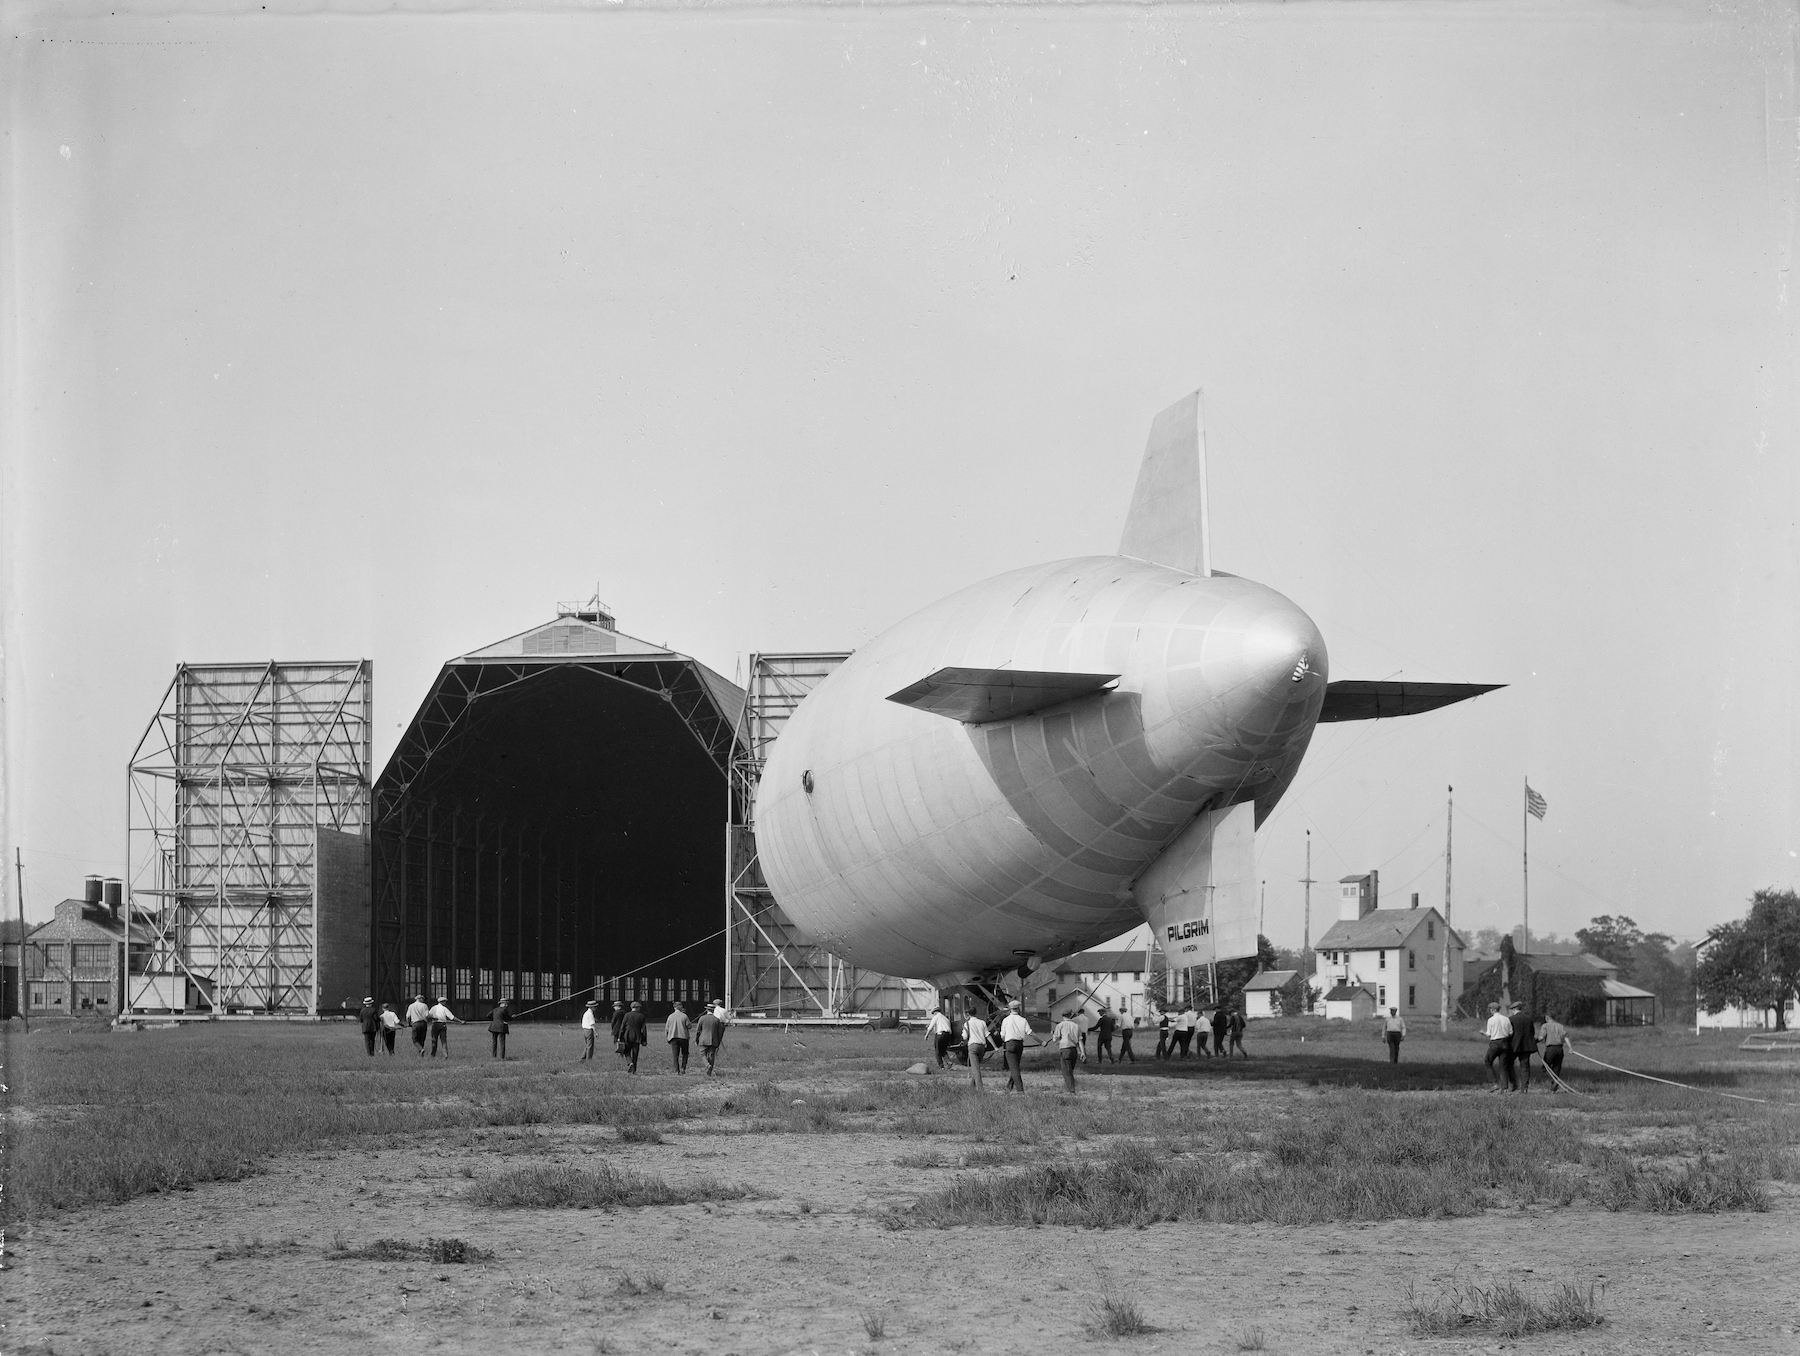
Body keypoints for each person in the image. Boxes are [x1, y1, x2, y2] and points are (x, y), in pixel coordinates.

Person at [1000, 999, 1032, 1092]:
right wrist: (1042, 1042)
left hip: (1009, 1044)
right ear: (1018, 1009)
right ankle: (1009, 1087)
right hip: (1019, 1044)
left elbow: (1002, 1035)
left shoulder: (1006, 1020)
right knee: (1015, 1066)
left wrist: (1006, 1041)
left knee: (1014, 1068)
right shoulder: (1023, 1020)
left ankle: (1020, 1090)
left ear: (1010, 1009)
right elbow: (1030, 1032)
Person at [1483, 1002, 1516, 1091]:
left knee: (1488, 1062)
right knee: (1503, 1066)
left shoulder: (1491, 1020)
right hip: (1505, 1043)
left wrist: (1483, 1033)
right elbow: (1510, 1033)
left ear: (1494, 1010)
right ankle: (1504, 1087)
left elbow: (1489, 1034)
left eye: (1490, 1009)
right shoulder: (1506, 1019)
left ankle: (1493, 1083)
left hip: (1495, 1043)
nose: (1490, 1011)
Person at [1053, 1007, 1083, 1092]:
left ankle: (1071, 1090)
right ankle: (1072, 1085)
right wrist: (1082, 1052)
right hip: (1074, 1050)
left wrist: (1057, 1039)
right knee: (1070, 1069)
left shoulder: (1060, 1025)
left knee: (1066, 1071)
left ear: (1062, 1016)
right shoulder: (1076, 1026)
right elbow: (1080, 1040)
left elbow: (1055, 1039)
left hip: (1065, 1049)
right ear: (1070, 1015)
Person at [1510, 1000, 1537, 1092]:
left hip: (1514, 1046)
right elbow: (1532, 1032)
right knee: (1525, 1067)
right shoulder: (1529, 1019)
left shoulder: (1511, 1019)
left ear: (1514, 1009)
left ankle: (1514, 1083)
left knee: (1508, 1063)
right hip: (1526, 1046)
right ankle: (1525, 1087)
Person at [696, 1001, 729, 1075]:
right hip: (713, 1040)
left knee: (702, 1054)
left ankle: (707, 1065)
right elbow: (719, 1033)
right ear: (713, 1010)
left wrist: (697, 1039)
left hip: (703, 1040)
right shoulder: (717, 1020)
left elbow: (698, 1030)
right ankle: (709, 1072)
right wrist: (718, 1041)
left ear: (707, 1010)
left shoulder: (702, 1018)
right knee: (711, 1055)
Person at [1539, 1012, 1569, 1090]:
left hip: (1550, 1049)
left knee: (1545, 1068)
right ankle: (1554, 1089)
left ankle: (1555, 1080)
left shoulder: (1545, 1026)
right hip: (1560, 1049)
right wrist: (1571, 1048)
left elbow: (1541, 1037)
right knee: (1556, 1068)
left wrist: (1534, 1041)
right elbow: (1566, 1037)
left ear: (1547, 1018)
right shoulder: (1561, 1026)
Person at [963, 1008, 991, 1090]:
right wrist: (995, 1047)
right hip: (982, 1047)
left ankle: (980, 1089)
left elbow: (965, 1037)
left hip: (973, 1047)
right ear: (976, 1013)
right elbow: (987, 1035)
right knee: (976, 1067)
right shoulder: (982, 1022)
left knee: (976, 1069)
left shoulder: (967, 1024)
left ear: (968, 1014)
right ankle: (972, 1087)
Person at [619, 1000, 648, 1074]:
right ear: (637, 1008)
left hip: (627, 1036)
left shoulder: (627, 1015)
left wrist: (620, 1037)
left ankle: (630, 1062)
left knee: (626, 1051)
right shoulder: (641, 1016)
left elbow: (622, 1026)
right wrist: (644, 1040)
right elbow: (644, 1029)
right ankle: (634, 1070)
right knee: (635, 1054)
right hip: (637, 1037)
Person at [665, 1000, 692, 1073]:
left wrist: (667, 1037)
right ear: (681, 1008)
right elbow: (689, 1026)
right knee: (685, 1053)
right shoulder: (684, 1016)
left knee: (675, 1055)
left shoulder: (670, 1017)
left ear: (674, 1008)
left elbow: (667, 1028)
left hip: (673, 1037)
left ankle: (676, 1069)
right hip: (683, 1037)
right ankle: (683, 1067)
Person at [925, 1005, 953, 1069]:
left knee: (937, 1051)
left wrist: (926, 1035)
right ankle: (948, 1062)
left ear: (935, 1012)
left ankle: (941, 1066)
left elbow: (931, 1026)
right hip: (947, 1034)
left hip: (940, 1034)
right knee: (943, 1050)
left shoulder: (936, 1017)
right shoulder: (945, 1018)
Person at [609, 1000, 628, 1064]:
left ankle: (619, 1053)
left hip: (616, 1030)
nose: (614, 1008)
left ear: (617, 1007)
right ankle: (622, 1053)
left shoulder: (615, 1013)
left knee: (616, 1041)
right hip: (624, 1029)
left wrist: (612, 1028)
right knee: (622, 1041)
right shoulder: (625, 1012)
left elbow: (613, 1022)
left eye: (614, 1006)